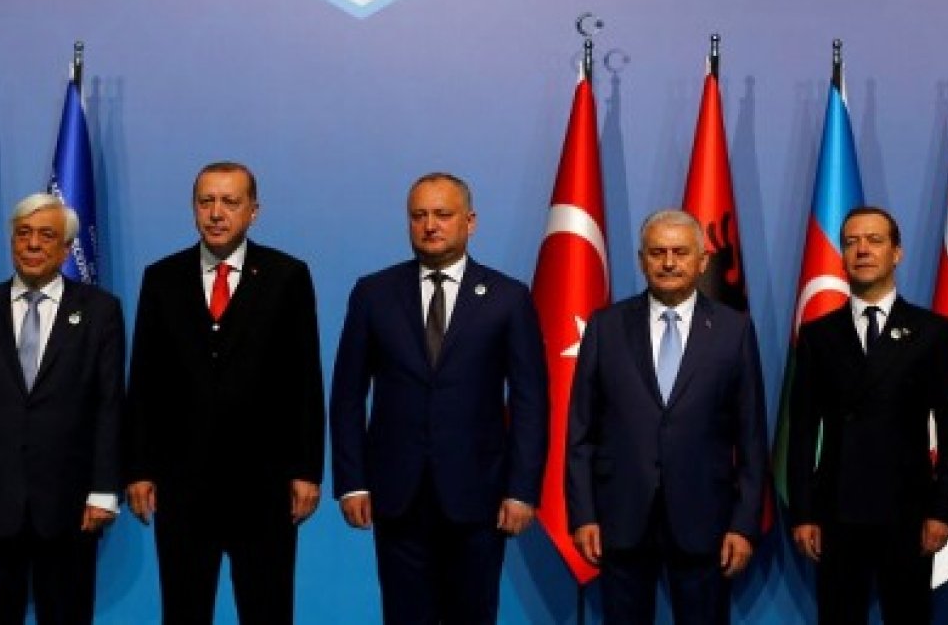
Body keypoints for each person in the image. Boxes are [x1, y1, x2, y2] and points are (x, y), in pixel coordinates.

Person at [329, 172, 549, 624]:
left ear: (470, 221)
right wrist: (352, 481)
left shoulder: (508, 297)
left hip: (480, 496)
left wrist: (522, 489)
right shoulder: (373, 294)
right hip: (397, 496)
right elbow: (347, 395)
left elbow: (530, 402)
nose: (430, 225)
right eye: (419, 216)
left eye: (442, 214)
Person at [124, 161, 324, 625]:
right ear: (194, 208)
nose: (216, 213)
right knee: (183, 611)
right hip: (183, 484)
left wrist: (307, 470)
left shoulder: (287, 276)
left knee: (268, 610)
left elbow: (304, 379)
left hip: (264, 485)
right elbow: (145, 379)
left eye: (230, 202)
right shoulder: (162, 278)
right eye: (206, 202)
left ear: (254, 211)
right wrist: (139, 468)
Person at [565, 209, 768, 625]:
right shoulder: (606, 327)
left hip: (706, 520)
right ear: (642, 261)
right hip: (621, 518)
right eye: (657, 253)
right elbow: (581, 431)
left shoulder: (733, 330)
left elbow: (751, 437)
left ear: (702, 261)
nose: (669, 263)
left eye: (680, 252)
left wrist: (744, 524)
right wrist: (583, 514)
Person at [0, 193, 126, 625]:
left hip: (70, 503)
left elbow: (109, 404)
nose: (33, 244)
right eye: (23, 234)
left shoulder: (100, 311)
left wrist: (104, 490)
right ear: (12, 242)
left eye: (46, 235)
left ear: (66, 248)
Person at [786, 206, 948, 625]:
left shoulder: (932, 331)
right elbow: (802, 433)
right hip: (836, 514)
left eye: (874, 240)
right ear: (842, 256)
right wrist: (804, 513)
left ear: (896, 253)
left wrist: (943, 509)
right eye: (851, 242)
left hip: (909, 514)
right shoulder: (818, 334)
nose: (862, 250)